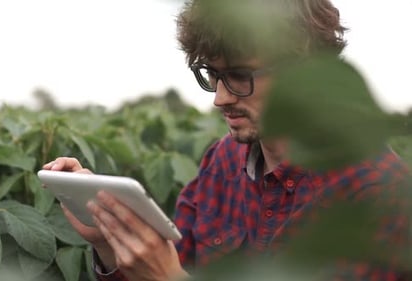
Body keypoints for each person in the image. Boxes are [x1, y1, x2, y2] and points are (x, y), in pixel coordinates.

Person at [43, 0, 410, 280]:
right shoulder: (222, 162)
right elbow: (172, 264)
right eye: (212, 74)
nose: (219, 97)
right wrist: (110, 241)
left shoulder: (377, 192)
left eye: (239, 75)